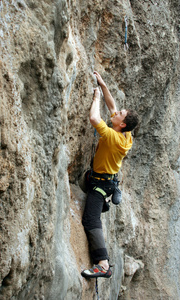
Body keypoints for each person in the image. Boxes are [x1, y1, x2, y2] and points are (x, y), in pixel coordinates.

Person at [81, 71, 139, 279]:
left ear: (121, 124)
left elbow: (94, 118)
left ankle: (103, 264)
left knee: (91, 220)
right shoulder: (126, 133)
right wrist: (104, 85)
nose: (115, 113)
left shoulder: (114, 137)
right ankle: (102, 263)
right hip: (106, 179)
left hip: (101, 185)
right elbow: (112, 105)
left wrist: (96, 97)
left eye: (119, 114)